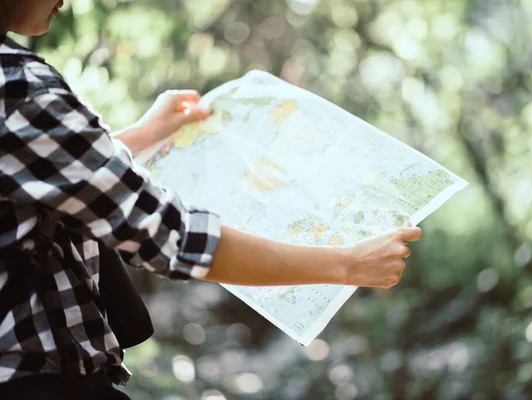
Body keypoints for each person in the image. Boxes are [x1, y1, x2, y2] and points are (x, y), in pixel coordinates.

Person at [0, 1, 423, 398]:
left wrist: (143, 135)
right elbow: (169, 236)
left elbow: (37, 183)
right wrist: (347, 264)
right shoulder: (20, 89)